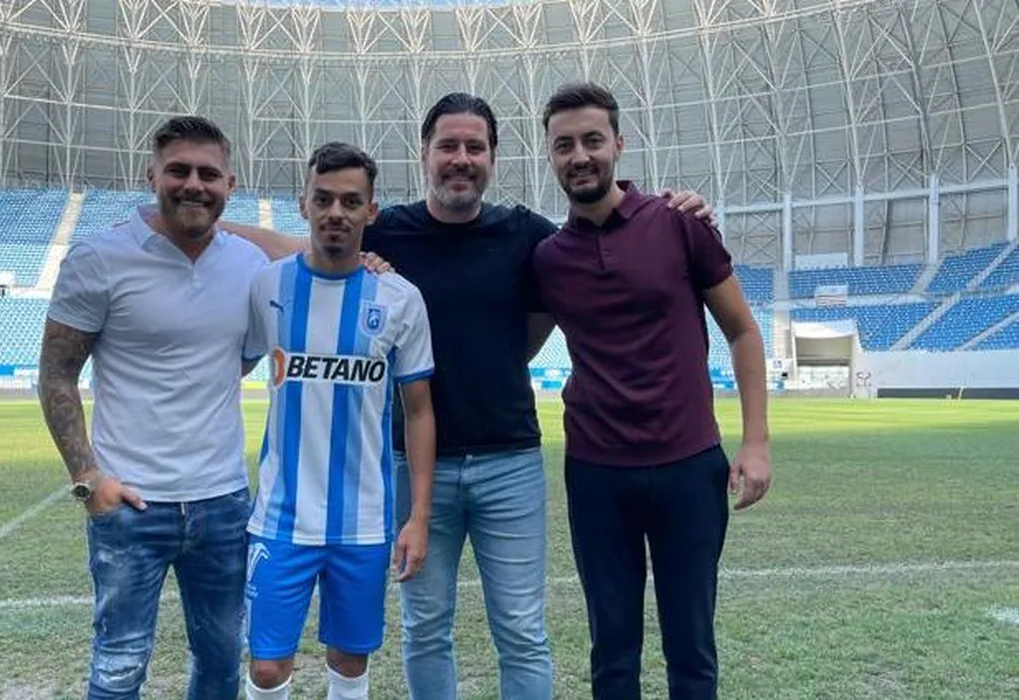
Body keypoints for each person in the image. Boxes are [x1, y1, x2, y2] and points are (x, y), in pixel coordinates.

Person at [221, 92, 716, 700]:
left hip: (510, 463)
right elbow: (304, 248)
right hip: (414, 468)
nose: (461, 158)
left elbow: (595, 246)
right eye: (448, 146)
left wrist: (675, 208)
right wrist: (210, 223)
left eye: (474, 147)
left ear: (492, 158)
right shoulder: (386, 230)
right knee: (426, 628)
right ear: (424, 154)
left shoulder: (526, 235)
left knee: (522, 631)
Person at [532, 82, 773, 700]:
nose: (580, 155)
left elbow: (743, 331)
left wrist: (756, 443)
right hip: (596, 475)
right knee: (612, 653)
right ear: (550, 156)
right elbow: (513, 345)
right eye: (564, 145)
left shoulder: (678, 223)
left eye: (592, 140)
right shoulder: (548, 259)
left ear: (618, 144)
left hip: (688, 467)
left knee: (691, 648)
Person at [38, 115, 268, 700]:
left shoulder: (249, 267)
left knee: (221, 663)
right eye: (178, 171)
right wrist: (88, 478)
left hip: (222, 504)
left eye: (208, 173)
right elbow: (57, 373)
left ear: (230, 184)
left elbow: (235, 361)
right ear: (152, 177)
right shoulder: (99, 258)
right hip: (130, 506)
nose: (194, 184)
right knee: (119, 668)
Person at [240, 141, 437, 700]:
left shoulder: (400, 298)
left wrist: (418, 516)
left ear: (371, 211)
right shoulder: (268, 285)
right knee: (267, 668)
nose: (335, 212)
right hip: (280, 517)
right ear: (303, 204)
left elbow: (419, 410)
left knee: (349, 661)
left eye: (351, 202)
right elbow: (231, 364)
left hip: (364, 523)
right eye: (322, 199)